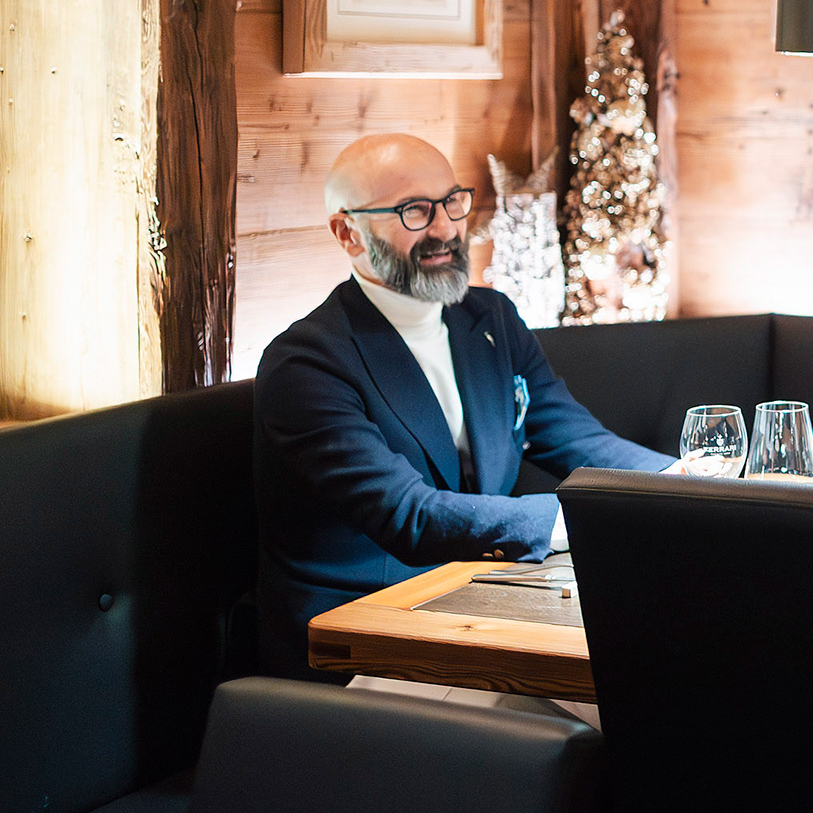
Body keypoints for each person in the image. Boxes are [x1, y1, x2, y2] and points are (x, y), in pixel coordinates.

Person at [253, 133, 675, 680]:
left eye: (452, 202)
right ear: (348, 233)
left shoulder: (490, 316)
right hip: (356, 640)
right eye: (414, 211)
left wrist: (691, 485)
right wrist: (592, 521)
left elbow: (576, 439)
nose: (446, 229)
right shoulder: (306, 363)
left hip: (477, 604)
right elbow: (409, 515)